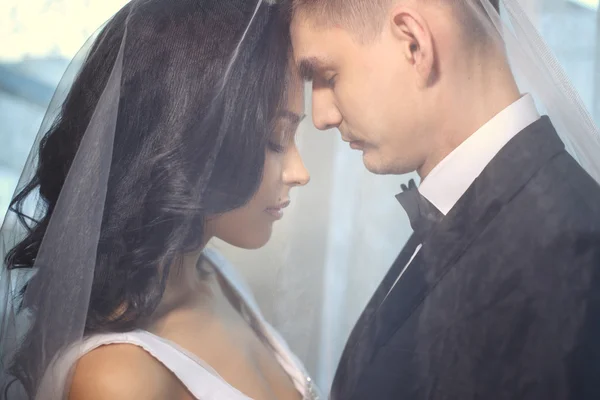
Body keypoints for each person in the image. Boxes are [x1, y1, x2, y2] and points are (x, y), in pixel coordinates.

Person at [0, 1, 321, 399]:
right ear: (190, 139)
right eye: (275, 140)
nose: (299, 172)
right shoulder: (119, 380)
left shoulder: (212, 273)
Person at [289, 0, 600, 398]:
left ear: (414, 44)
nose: (321, 116)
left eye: (327, 76)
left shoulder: (568, 255)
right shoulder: (485, 210)